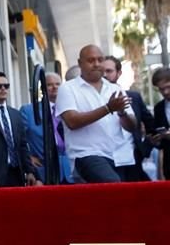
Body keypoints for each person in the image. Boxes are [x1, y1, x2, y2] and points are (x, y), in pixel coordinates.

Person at [55, 45, 136, 183]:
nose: (97, 64)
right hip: (85, 155)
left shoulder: (115, 88)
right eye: (91, 60)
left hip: (118, 156)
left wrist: (122, 113)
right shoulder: (68, 88)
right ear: (80, 63)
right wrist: (108, 108)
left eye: (100, 59)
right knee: (114, 186)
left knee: (118, 198)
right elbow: (72, 121)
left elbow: (132, 126)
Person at [102, 56, 154, 181]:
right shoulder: (93, 97)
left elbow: (151, 124)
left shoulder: (133, 97)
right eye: (102, 71)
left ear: (118, 73)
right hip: (105, 158)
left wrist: (145, 148)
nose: (104, 75)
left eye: (109, 71)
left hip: (132, 157)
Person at [19, 71, 71, 183]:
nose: (54, 87)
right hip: (44, 169)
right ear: (42, 88)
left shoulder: (71, 109)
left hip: (70, 168)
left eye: (58, 84)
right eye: (49, 84)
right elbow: (17, 138)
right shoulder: (29, 111)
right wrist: (28, 158)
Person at [149, 67, 170, 181]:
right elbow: (161, 143)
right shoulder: (159, 108)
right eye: (161, 89)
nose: (165, 92)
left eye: (168, 87)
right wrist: (156, 140)